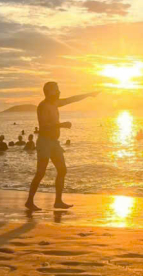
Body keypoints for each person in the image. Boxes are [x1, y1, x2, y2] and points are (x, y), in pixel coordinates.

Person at [25, 82, 99, 211]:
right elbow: (44, 126)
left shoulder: (55, 103)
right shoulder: (43, 106)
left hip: (54, 143)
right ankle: (29, 201)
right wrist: (61, 125)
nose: (59, 92)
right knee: (40, 173)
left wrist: (88, 95)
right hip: (44, 142)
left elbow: (72, 99)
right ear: (49, 92)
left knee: (62, 170)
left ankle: (58, 201)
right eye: (56, 90)